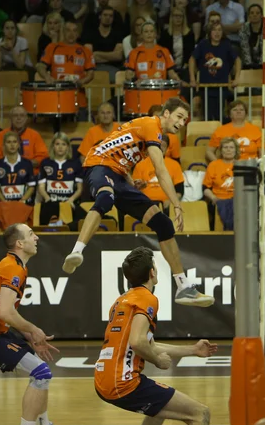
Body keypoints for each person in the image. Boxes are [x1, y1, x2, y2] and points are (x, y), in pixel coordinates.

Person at [62, 98, 214, 307]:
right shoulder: (152, 125)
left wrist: (132, 182)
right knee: (105, 200)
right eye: (179, 116)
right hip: (98, 165)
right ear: (166, 113)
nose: (182, 122)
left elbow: (122, 160)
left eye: (185, 119)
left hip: (119, 175)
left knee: (163, 224)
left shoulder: (150, 134)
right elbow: (160, 170)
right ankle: (76, 252)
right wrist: (177, 204)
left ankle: (183, 287)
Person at [0, 223, 75, 425]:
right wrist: (34, 330)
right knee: (41, 372)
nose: (37, 238)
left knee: (42, 372)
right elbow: (5, 312)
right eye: (31, 234)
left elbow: (5, 314)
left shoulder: (14, 265)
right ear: (20, 243)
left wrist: (29, 335)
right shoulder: (13, 268)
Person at [95, 246, 215, 425]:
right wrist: (157, 360)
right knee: (200, 414)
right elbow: (137, 342)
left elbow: (146, 343)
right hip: (123, 384)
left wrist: (192, 350)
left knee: (159, 406)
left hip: (104, 379)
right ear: (152, 272)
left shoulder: (121, 301)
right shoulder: (147, 298)